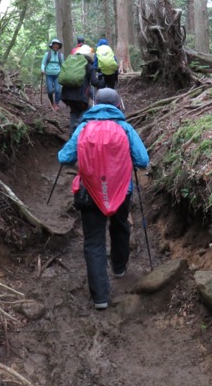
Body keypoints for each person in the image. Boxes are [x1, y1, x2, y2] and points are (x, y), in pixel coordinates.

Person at [58, 88, 149, 310]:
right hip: (121, 191)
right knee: (120, 228)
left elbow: (64, 157)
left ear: (94, 104)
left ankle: (100, 297)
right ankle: (119, 268)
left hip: (89, 192)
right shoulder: (125, 128)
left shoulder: (83, 128)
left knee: (93, 241)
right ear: (119, 105)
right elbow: (143, 160)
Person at [60, 52, 104, 132]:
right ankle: (78, 123)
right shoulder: (89, 67)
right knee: (88, 109)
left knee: (74, 111)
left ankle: (72, 134)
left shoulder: (72, 66)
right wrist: (103, 81)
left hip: (66, 95)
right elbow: (95, 82)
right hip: (80, 97)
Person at [40, 39, 63, 111]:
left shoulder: (60, 55)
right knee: (50, 91)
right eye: (54, 44)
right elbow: (43, 63)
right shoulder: (48, 54)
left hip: (57, 75)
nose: (56, 46)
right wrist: (43, 69)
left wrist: (63, 72)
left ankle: (56, 104)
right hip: (49, 75)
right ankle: (52, 102)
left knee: (58, 90)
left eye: (57, 45)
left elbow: (63, 65)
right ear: (52, 45)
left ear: (59, 46)